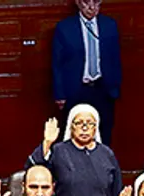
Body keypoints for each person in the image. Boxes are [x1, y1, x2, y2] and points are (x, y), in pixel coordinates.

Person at [26, 106, 122, 196]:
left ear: (96, 127)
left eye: (90, 123)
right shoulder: (58, 151)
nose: (84, 128)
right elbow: (33, 171)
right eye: (79, 123)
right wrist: (47, 143)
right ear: (71, 127)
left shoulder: (106, 153)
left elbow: (117, 190)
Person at [52, 0, 122, 145]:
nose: (92, 7)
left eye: (96, 2)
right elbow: (57, 64)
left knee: (104, 132)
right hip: (76, 90)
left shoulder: (109, 25)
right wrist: (60, 94)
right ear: (78, 3)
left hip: (102, 88)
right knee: (75, 135)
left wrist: (115, 87)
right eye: (86, 2)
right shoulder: (65, 28)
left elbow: (115, 58)